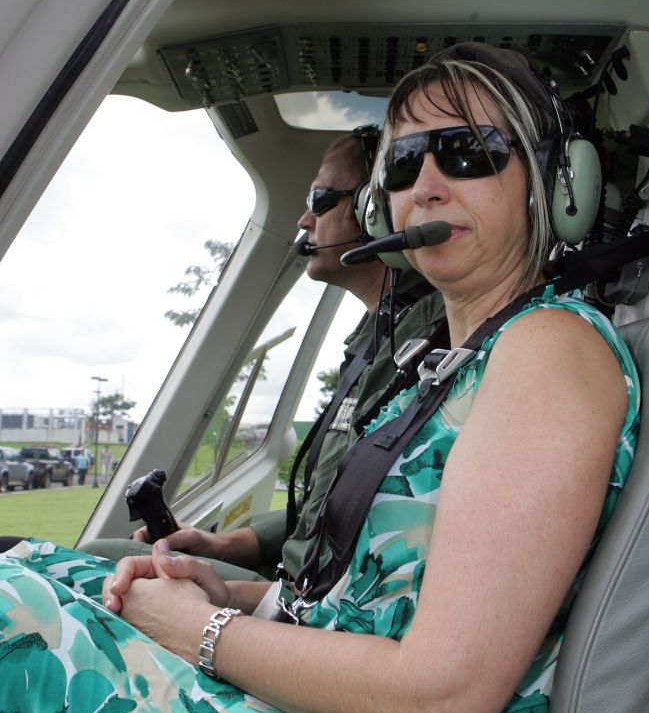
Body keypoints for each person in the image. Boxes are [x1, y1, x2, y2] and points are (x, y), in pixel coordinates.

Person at [0, 44, 640, 713]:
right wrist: (237, 593)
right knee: (48, 572)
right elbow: (384, 604)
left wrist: (207, 630)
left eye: (468, 152)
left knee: (18, 616)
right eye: (406, 161)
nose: (427, 185)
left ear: (554, 185)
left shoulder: (549, 350)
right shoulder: (449, 363)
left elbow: (440, 697)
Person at [80, 129, 446, 585]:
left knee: (96, 561)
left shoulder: (428, 347)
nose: (304, 219)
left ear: (373, 208)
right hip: (298, 581)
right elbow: (327, 504)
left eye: (318, 197)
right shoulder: (378, 338)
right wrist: (231, 543)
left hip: (313, 602)